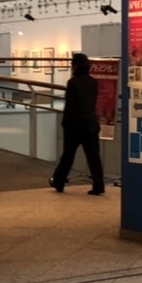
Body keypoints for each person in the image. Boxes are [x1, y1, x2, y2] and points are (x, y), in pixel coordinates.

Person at [50, 53, 105, 195]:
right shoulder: (93, 82)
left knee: (68, 156)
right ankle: (99, 185)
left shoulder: (72, 82)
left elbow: (70, 106)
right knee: (94, 157)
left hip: (74, 125)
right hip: (91, 124)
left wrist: (65, 124)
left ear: (75, 65)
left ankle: (59, 181)